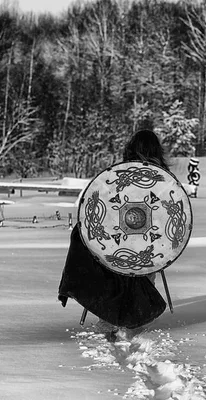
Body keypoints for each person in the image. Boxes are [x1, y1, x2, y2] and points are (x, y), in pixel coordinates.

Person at [57, 130, 169, 333]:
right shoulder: (162, 179)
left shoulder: (133, 176)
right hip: (146, 243)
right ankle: (137, 314)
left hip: (139, 241)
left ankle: (112, 316)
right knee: (131, 261)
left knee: (110, 259)